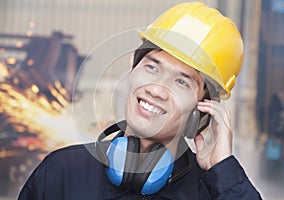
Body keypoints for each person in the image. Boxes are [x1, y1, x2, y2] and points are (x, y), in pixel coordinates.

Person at [18, 2, 262, 199]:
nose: (156, 89)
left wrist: (225, 173)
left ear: (203, 111)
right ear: (132, 72)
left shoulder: (211, 192)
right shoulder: (62, 172)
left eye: (182, 82)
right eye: (152, 68)